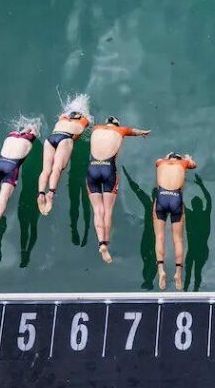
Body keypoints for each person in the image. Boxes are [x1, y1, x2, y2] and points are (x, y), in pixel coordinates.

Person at [87, 116, 151, 263]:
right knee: (108, 211)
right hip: (108, 169)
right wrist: (143, 132)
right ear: (116, 124)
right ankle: (105, 244)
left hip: (93, 169)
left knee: (98, 210)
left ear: (106, 123)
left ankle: (100, 242)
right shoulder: (120, 130)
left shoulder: (96, 129)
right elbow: (134, 131)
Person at [0, 118, 40, 245]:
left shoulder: (10, 136)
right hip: (12, 167)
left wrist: (25, 128)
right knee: (3, 199)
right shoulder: (30, 138)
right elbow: (34, 131)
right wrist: (34, 127)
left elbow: (21, 132)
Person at [38, 98, 92, 215]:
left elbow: (64, 114)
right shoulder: (83, 121)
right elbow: (87, 124)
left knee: (46, 170)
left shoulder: (62, 118)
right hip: (65, 138)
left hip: (51, 138)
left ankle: (41, 194)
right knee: (57, 168)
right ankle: (50, 194)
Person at [154, 152, 197, 290]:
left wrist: (166, 158)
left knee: (159, 237)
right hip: (176, 198)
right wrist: (188, 158)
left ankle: (161, 270)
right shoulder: (183, 163)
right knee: (178, 240)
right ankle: (178, 274)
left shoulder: (160, 162)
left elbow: (158, 161)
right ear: (179, 159)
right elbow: (193, 165)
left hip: (161, 196)